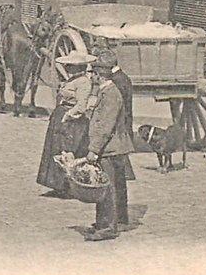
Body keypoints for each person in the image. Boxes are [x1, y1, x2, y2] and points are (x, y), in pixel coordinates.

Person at [83, 51, 134, 241]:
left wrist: (93, 150)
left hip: (110, 149)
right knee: (103, 185)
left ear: (98, 75)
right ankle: (102, 222)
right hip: (108, 148)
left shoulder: (111, 94)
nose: (91, 77)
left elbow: (106, 125)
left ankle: (110, 227)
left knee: (108, 187)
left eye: (93, 74)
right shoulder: (106, 91)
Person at [36, 52, 95, 194]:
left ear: (78, 67)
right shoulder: (72, 79)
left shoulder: (83, 82)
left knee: (68, 151)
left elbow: (81, 106)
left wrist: (67, 116)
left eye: (70, 65)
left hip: (72, 122)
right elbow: (56, 64)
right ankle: (58, 184)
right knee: (56, 149)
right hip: (61, 116)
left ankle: (69, 185)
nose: (67, 68)